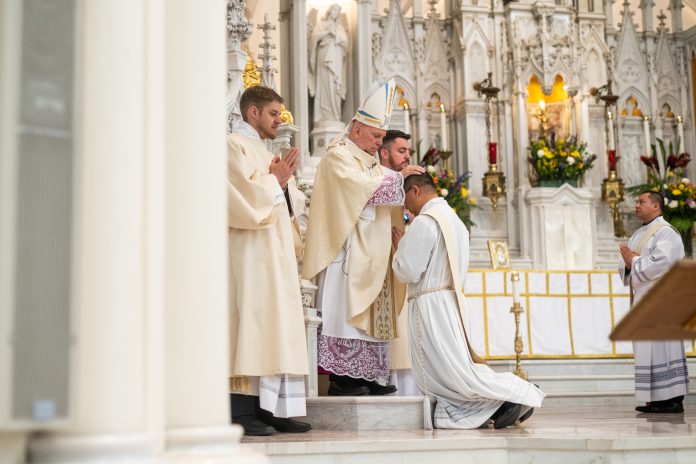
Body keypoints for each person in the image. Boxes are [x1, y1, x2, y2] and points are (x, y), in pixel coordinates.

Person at [391, 173, 545, 429]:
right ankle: (501, 401)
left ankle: (513, 393)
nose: (405, 207)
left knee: (450, 371)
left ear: (416, 191)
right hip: (448, 302)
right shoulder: (454, 221)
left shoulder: (425, 222)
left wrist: (400, 248)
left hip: (430, 305)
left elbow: (408, 270)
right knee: (453, 366)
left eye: (406, 198)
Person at [302, 80, 425, 396]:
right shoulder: (338, 155)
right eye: (375, 136)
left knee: (371, 313)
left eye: (383, 137)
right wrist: (401, 179)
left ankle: (368, 375)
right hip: (346, 249)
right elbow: (361, 190)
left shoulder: (369, 160)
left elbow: (379, 185)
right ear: (356, 129)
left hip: (373, 247)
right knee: (345, 313)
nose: (378, 143)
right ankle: (344, 380)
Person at [228, 85, 311, 436]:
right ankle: (241, 409)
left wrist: (283, 185)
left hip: (273, 252)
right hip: (249, 251)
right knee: (251, 324)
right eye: (274, 113)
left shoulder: (262, 150)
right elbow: (239, 199)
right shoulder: (233, 146)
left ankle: (269, 407)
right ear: (253, 113)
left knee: (275, 325)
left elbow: (285, 204)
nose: (281, 120)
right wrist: (274, 181)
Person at [619, 191, 688, 414]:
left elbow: (665, 263)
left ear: (656, 206)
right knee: (648, 349)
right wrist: (628, 265)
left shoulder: (666, 233)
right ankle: (656, 399)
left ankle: (673, 400)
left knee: (664, 350)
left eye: (642, 202)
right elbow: (628, 267)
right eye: (637, 202)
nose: (636, 205)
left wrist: (634, 260)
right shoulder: (639, 233)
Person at [377, 130, 420, 396]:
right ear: (384, 152)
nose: (407, 157)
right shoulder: (377, 178)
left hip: (399, 263)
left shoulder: (400, 183)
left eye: (408, 152)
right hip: (377, 265)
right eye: (401, 151)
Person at [308, 3, 348, 123]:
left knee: (335, 87)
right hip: (324, 60)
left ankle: (335, 116)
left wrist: (335, 35)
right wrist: (327, 33)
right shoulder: (321, 24)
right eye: (334, 10)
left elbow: (346, 45)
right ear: (330, 11)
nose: (336, 12)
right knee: (325, 86)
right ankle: (323, 116)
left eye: (338, 11)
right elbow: (313, 38)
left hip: (336, 60)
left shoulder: (339, 28)